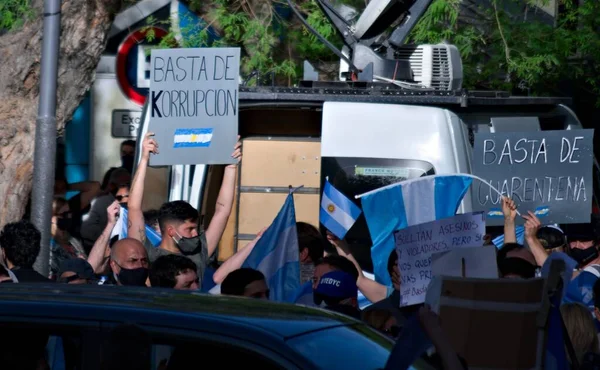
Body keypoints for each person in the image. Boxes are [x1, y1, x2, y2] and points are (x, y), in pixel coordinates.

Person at [127, 133, 241, 286]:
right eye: (190, 229)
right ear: (171, 231)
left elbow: (222, 210)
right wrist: (144, 159)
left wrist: (231, 165)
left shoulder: (198, 252)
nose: (196, 234)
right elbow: (134, 208)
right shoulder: (147, 255)